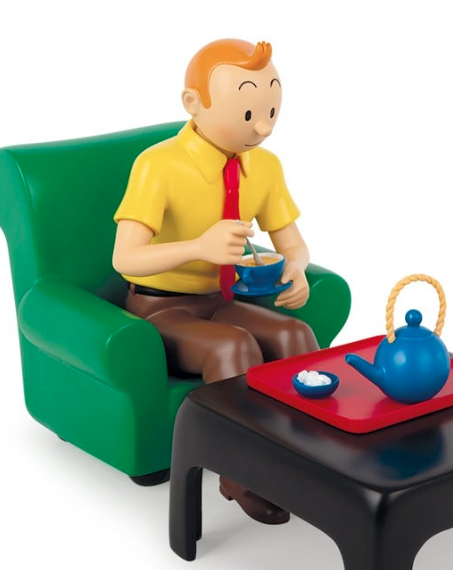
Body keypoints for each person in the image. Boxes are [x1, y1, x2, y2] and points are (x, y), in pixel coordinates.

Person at [112, 39, 318, 525]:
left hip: (218, 299)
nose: (263, 126)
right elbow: (125, 257)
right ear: (193, 103)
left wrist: (297, 267)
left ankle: (310, 459)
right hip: (160, 307)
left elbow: (293, 243)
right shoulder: (158, 165)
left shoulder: (264, 166)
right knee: (231, 347)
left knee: (296, 335)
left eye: (271, 110)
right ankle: (240, 475)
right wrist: (198, 248)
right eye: (248, 113)